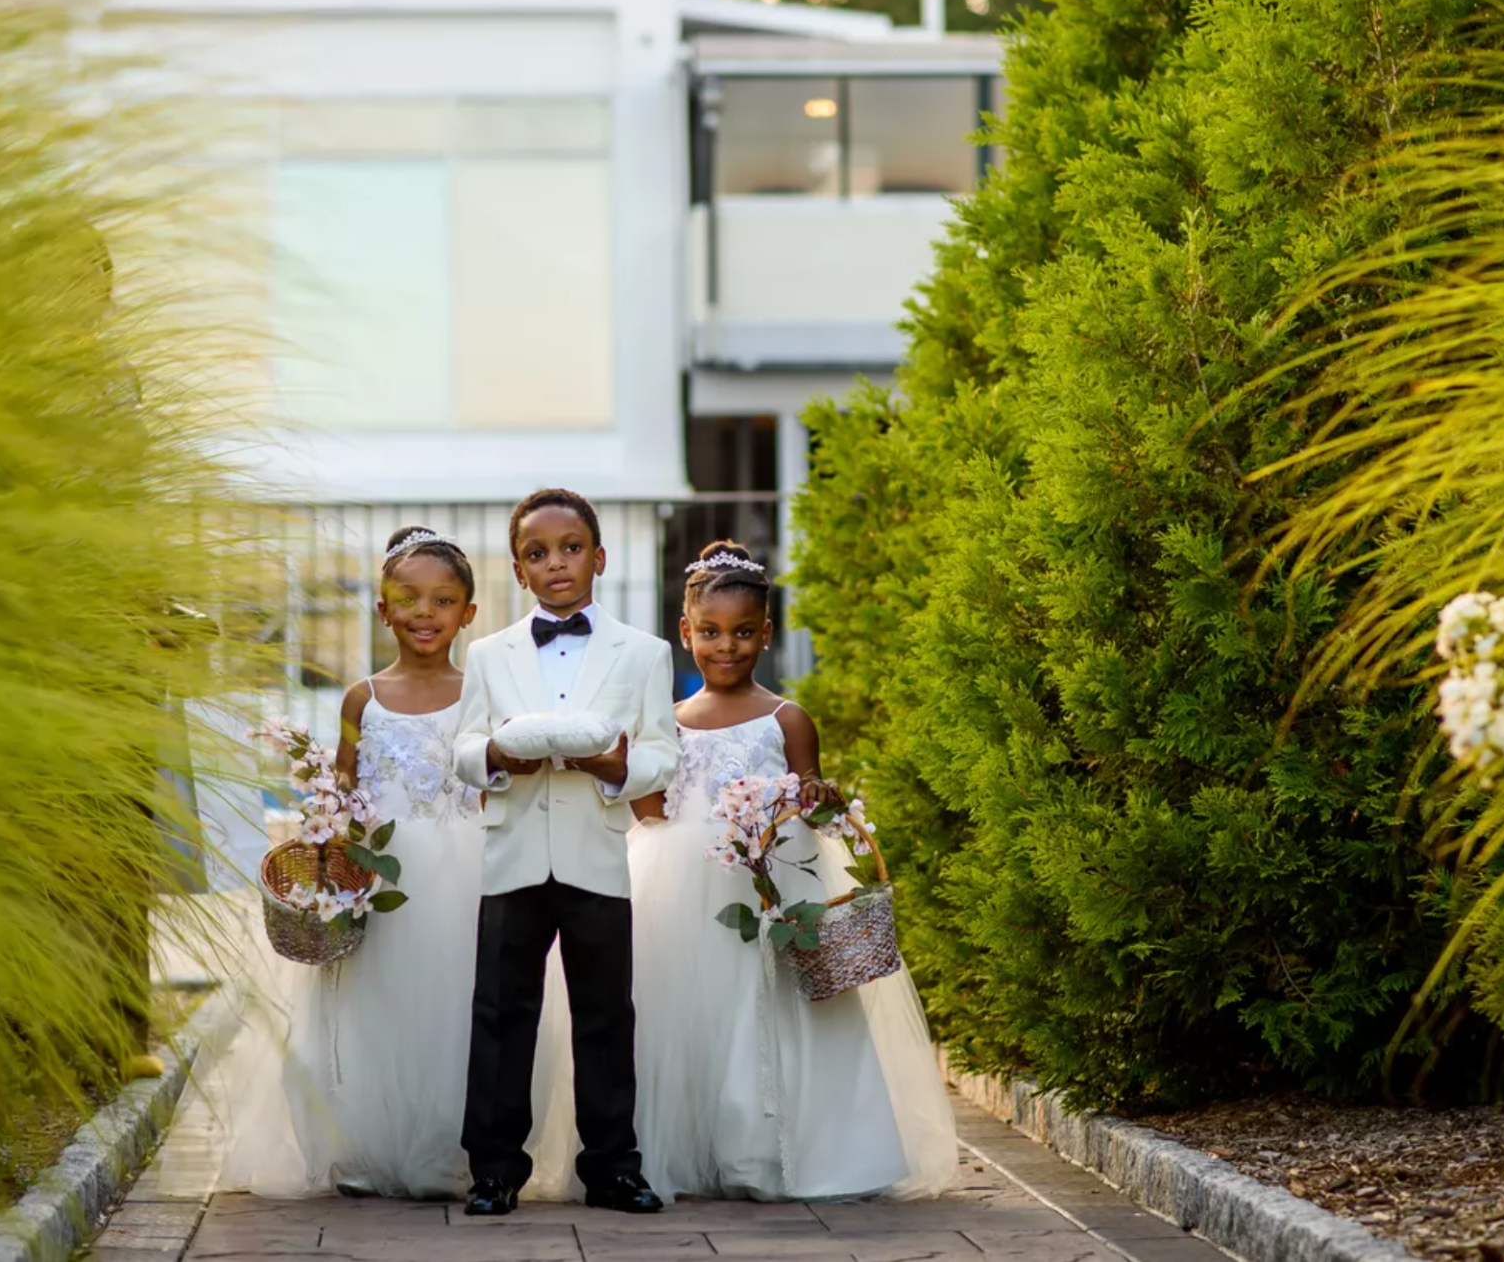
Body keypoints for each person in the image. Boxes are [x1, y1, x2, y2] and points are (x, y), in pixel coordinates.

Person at [211, 526, 578, 1201]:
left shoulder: (487, 695)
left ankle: (460, 1148)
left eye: (443, 602)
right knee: (375, 1005)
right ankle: (369, 1145)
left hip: (471, 871)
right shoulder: (362, 699)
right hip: (383, 876)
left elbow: (507, 782)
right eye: (407, 599)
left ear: (469, 614)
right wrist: (329, 851)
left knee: (466, 1007)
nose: (424, 614)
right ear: (382, 608)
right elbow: (343, 796)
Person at [626, 540, 958, 1202]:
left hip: (774, 884)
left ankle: (779, 1153)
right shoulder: (665, 722)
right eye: (711, 633)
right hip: (682, 888)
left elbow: (809, 793)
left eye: (744, 633)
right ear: (685, 633)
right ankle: (695, 1154)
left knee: (773, 1011)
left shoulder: (787, 718)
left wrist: (823, 795)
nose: (728, 647)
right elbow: (651, 809)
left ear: (767, 634)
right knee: (689, 1015)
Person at [453, 489, 679, 1217]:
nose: (557, 564)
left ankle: (612, 1167)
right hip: (513, 855)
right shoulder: (487, 655)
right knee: (500, 1009)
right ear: (518, 570)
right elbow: (460, 746)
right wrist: (492, 756)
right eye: (538, 553)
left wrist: (620, 771)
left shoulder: (644, 653)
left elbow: (661, 752)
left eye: (572, 548)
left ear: (600, 557)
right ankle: (493, 1169)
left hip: (597, 856)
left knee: (606, 1013)